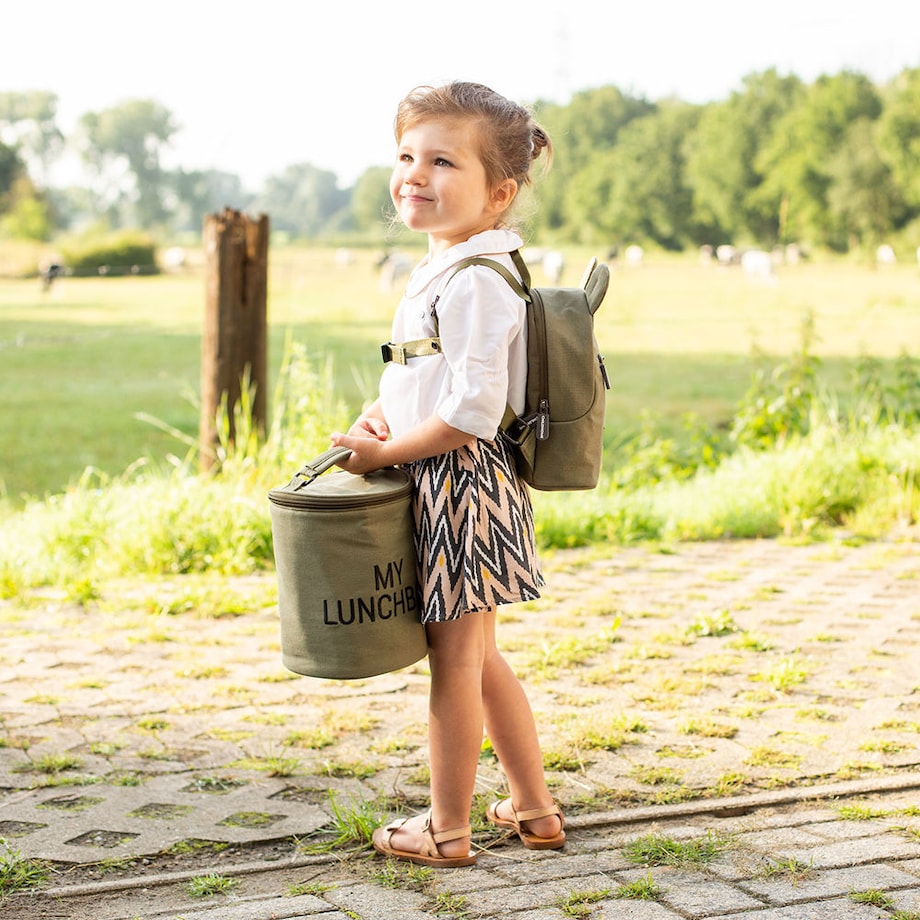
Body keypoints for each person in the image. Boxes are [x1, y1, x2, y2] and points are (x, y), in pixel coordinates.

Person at [330, 81, 564, 868]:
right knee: (480, 658)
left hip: (459, 483)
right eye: (407, 156)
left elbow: (471, 410)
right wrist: (382, 413)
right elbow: (430, 377)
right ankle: (532, 808)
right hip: (452, 475)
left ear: (499, 193)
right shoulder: (449, 267)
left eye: (442, 161)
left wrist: (383, 455)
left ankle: (447, 829)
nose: (415, 175)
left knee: (456, 663)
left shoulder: (473, 281)